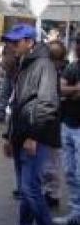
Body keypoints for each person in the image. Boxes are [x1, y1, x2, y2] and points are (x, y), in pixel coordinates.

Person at [0, 24, 60, 225]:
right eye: (10, 42)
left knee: (30, 188)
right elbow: (17, 103)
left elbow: (47, 103)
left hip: (34, 136)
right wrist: (9, 136)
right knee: (26, 188)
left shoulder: (43, 65)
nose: (11, 46)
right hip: (23, 135)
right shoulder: (26, 63)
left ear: (29, 41)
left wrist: (34, 135)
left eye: (15, 41)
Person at [55, 37, 80, 225]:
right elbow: (60, 88)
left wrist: (68, 90)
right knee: (70, 171)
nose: (77, 48)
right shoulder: (73, 67)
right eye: (77, 44)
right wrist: (75, 90)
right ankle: (75, 212)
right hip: (68, 124)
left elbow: (64, 89)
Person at [41, 40, 68, 208]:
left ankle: (53, 194)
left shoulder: (66, 70)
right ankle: (48, 191)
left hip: (59, 121)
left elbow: (62, 91)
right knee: (47, 160)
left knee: (53, 160)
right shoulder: (48, 70)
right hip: (48, 120)